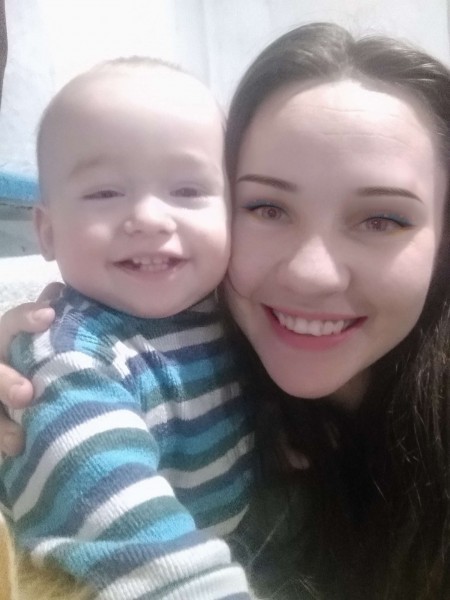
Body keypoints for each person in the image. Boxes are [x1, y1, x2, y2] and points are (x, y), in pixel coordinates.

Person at [1, 21, 450, 599]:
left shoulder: (205, 328)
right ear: (46, 229)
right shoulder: (82, 361)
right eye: (266, 207)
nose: (311, 273)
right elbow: (124, 529)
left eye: (383, 219)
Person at [0, 57, 254, 599]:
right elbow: (127, 536)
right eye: (104, 193)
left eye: (188, 191)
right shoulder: (69, 360)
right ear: (47, 231)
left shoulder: (228, 313)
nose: (150, 218)